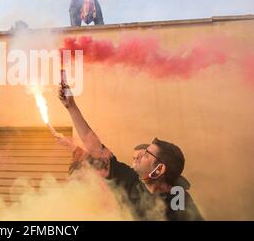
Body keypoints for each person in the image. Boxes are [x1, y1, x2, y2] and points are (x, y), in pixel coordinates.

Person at [57, 83, 204, 221]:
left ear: (159, 169)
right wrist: (71, 106)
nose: (139, 154)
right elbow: (96, 148)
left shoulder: (178, 200)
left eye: (146, 154)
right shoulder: (131, 181)